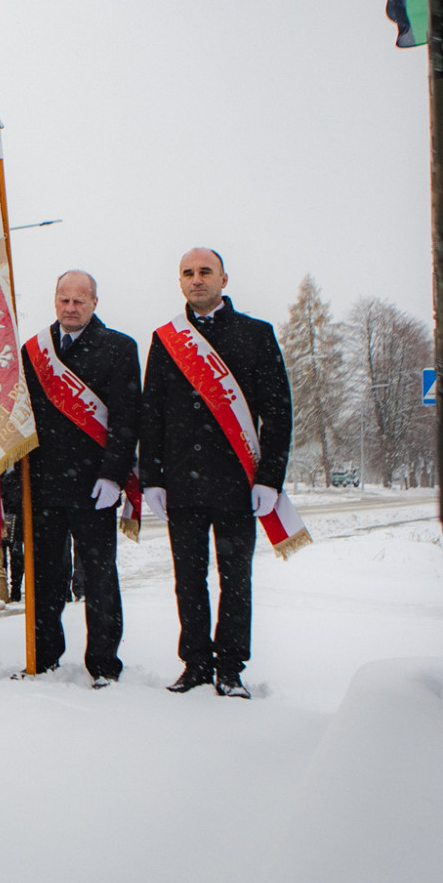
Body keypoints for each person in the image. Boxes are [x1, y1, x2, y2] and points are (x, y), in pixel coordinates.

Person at [138, 248, 293, 699]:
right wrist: (152, 477)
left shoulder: (256, 334)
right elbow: (153, 414)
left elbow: (278, 413)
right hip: (183, 483)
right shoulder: (166, 339)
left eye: (205, 272)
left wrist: (269, 478)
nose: (197, 280)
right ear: (180, 282)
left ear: (224, 278)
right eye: (188, 273)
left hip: (237, 484)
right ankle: (196, 663)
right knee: (188, 578)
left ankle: (230, 666)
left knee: (235, 579)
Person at [21, 270, 142, 686]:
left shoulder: (119, 348)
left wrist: (113, 475)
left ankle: (104, 663)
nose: (70, 308)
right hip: (43, 484)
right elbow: (20, 419)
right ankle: (44, 655)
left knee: (99, 576)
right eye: (64, 300)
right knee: (45, 578)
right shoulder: (32, 350)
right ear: (54, 300)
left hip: (95, 486)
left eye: (79, 301)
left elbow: (126, 419)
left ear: (94, 302)